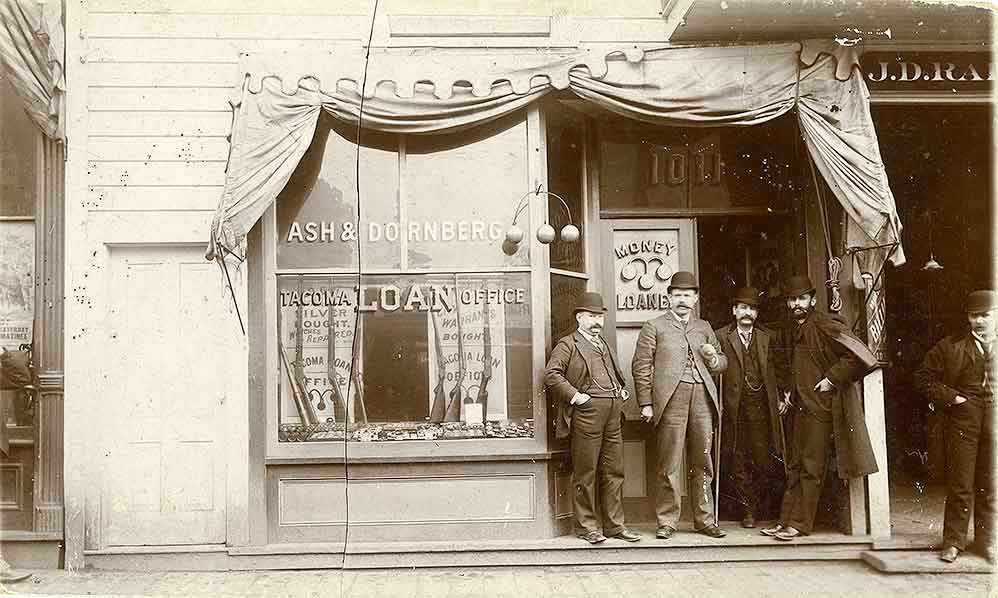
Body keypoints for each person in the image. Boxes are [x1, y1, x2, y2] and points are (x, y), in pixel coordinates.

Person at [762, 275, 878, 541]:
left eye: (802, 299)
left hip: (820, 408)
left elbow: (860, 355)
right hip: (800, 407)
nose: (796, 304)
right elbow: (799, 365)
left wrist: (831, 379)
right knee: (794, 465)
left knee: (811, 467)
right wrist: (791, 390)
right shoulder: (793, 329)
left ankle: (800, 525)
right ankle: (785, 522)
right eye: (792, 300)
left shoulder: (825, 322)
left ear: (812, 299)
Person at [632, 271, 728, 540]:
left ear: (695, 299)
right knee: (670, 462)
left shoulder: (705, 328)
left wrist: (712, 359)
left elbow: (722, 363)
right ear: (669, 298)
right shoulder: (654, 326)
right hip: (671, 400)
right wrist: (647, 403)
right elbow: (641, 367)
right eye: (677, 295)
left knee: (704, 461)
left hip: (702, 399)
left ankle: (705, 519)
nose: (682, 300)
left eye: (687, 295)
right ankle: (667, 521)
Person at [544, 291, 642, 544]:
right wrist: (577, 397)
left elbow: (612, 374)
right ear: (579, 318)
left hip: (612, 414)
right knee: (585, 472)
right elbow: (552, 375)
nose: (597, 321)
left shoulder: (604, 344)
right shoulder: (568, 344)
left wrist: (620, 390)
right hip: (587, 414)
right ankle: (587, 527)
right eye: (591, 316)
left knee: (614, 471)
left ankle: (614, 526)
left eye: (600, 316)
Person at [914, 290, 997, 564]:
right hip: (964, 419)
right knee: (961, 483)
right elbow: (923, 377)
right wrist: (953, 398)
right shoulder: (951, 346)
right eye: (974, 316)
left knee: (990, 483)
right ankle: (953, 543)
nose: (980, 322)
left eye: (985, 315)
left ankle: (987, 542)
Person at [715, 286, 784, 529]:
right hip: (733, 409)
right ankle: (747, 511)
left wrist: (781, 396)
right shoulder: (721, 336)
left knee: (763, 458)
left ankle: (764, 508)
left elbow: (779, 370)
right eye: (743, 307)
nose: (747, 313)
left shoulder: (767, 338)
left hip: (761, 409)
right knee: (737, 458)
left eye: (752, 309)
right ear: (734, 311)